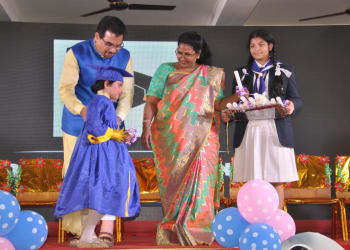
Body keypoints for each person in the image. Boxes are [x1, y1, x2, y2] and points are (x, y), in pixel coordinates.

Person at [141, 31, 232, 246]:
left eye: (188, 54)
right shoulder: (165, 69)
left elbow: (216, 105)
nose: (182, 58)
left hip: (204, 137)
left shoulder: (211, 74)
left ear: (199, 54)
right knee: (176, 184)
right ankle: (175, 226)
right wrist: (146, 126)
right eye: (179, 52)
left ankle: (199, 230)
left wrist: (236, 99)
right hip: (172, 138)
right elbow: (152, 101)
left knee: (201, 181)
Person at [58, 15, 134, 243]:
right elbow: (65, 90)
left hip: (108, 130)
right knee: (78, 175)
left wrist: (117, 119)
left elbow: (127, 94)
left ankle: (103, 229)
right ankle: (80, 230)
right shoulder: (76, 53)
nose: (113, 50)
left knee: (108, 176)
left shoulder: (125, 56)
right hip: (77, 125)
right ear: (96, 37)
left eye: (118, 45)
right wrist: (82, 110)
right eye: (108, 44)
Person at [55, 65, 140, 248]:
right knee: (102, 192)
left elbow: (102, 129)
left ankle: (88, 235)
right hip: (98, 156)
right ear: (107, 84)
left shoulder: (104, 102)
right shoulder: (101, 101)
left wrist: (121, 136)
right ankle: (86, 236)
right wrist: (115, 134)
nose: (120, 90)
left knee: (99, 195)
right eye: (118, 85)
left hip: (103, 152)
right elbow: (94, 128)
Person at [221, 29, 302, 209]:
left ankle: (275, 222)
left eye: (261, 45)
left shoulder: (285, 71)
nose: (256, 49)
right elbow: (236, 105)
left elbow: (296, 98)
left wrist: (291, 106)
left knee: (276, 179)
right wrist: (229, 112)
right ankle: (253, 222)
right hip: (250, 129)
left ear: (270, 47)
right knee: (251, 180)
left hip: (276, 129)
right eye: (252, 46)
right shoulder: (241, 73)